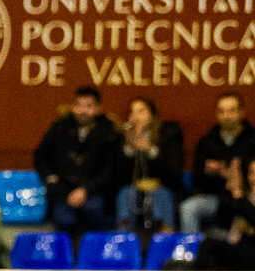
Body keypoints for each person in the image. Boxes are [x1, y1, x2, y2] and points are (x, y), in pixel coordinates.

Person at [34, 85, 119, 247]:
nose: (82, 110)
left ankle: (94, 254)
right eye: (78, 105)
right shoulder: (59, 128)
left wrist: (86, 190)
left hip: (95, 191)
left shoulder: (108, 133)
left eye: (89, 106)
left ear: (98, 108)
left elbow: (110, 170)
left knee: (93, 211)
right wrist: (51, 179)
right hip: (63, 190)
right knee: (64, 218)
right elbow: (41, 156)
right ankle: (65, 257)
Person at [182, 92, 255, 234]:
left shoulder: (252, 139)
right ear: (217, 114)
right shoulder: (207, 141)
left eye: (231, 111)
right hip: (217, 197)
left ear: (242, 112)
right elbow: (197, 181)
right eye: (222, 112)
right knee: (188, 208)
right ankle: (191, 247)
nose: (227, 116)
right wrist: (213, 174)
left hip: (249, 196)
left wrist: (236, 177)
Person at [186, 155, 255, 271]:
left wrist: (238, 198)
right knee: (209, 248)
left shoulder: (241, 198)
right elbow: (221, 221)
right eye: (251, 173)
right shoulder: (245, 195)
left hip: (251, 254)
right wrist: (230, 189)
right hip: (241, 249)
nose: (254, 178)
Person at [113, 96, 185, 233]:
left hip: (163, 188)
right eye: (132, 112)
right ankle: (123, 236)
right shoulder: (123, 138)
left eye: (141, 112)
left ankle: (165, 235)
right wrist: (129, 149)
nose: (136, 117)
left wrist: (150, 151)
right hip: (135, 189)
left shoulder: (169, 134)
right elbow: (118, 179)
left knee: (159, 194)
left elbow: (174, 173)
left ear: (152, 115)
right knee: (125, 194)